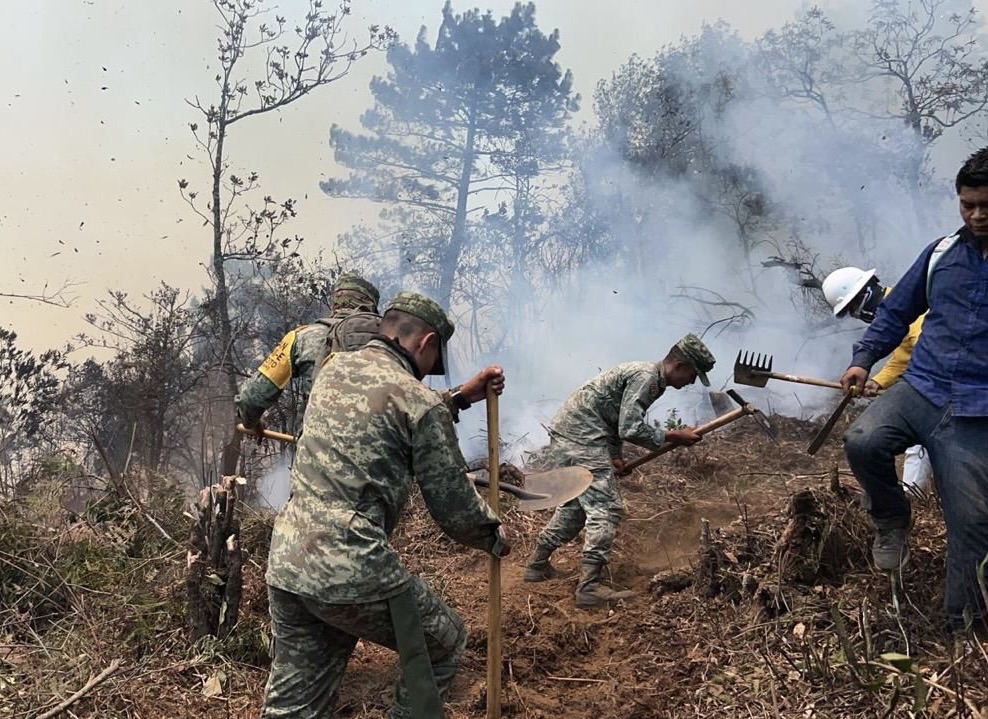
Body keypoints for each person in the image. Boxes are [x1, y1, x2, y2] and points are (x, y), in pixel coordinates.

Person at [261, 291, 510, 719]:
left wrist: (458, 398)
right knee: (443, 642)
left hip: (287, 564)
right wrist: (493, 534)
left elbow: (380, 411)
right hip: (350, 567)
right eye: (434, 359)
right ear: (426, 342)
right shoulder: (418, 401)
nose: (431, 372)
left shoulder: (333, 369)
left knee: (295, 706)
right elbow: (454, 511)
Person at [840, 147, 988, 638]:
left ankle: (961, 631)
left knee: (971, 526)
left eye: (986, 204)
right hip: (921, 388)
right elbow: (895, 311)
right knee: (862, 440)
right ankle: (891, 519)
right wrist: (863, 360)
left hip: (975, 411)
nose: (977, 215)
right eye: (968, 204)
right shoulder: (941, 254)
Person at [523, 335, 716, 608]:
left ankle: (536, 566)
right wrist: (673, 436)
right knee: (607, 508)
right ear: (680, 365)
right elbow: (630, 428)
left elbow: (612, 418)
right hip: (581, 439)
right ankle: (588, 588)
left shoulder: (650, 378)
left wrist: (614, 456)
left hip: (576, 436)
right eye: (693, 375)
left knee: (576, 506)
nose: (692, 382)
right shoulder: (647, 378)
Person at [821, 267, 933, 494]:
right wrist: (878, 382)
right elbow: (903, 356)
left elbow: (927, 353)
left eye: (853, 307)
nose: (856, 314)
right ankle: (915, 496)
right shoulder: (899, 313)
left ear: (866, 295)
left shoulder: (912, 311)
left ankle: (913, 497)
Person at [236, 272, 381, 436]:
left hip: (314, 453)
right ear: (371, 308)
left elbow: (250, 399)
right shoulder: (393, 345)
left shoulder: (302, 337)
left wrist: (251, 422)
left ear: (335, 305)